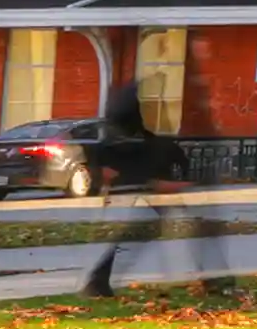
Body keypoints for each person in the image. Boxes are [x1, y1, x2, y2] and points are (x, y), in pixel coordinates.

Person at [81, 81, 233, 299]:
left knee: (146, 230)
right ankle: (215, 280)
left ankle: (98, 281)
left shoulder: (128, 129)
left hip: (140, 174)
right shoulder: (134, 134)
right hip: (142, 176)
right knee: (184, 226)